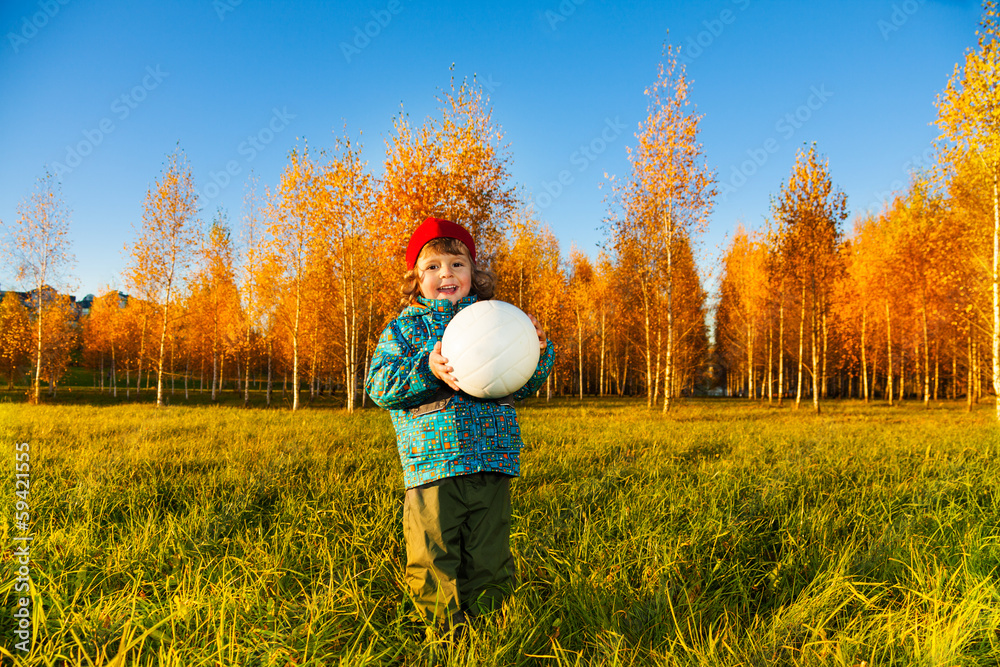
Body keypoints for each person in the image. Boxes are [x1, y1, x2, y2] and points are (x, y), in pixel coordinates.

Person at [365, 216, 555, 631]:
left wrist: (537, 350)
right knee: (433, 553)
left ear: (473, 272)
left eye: (456, 264)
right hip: (432, 463)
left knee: (489, 552)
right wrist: (426, 368)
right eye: (432, 267)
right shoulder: (405, 329)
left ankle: (490, 628)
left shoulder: (499, 320)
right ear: (416, 278)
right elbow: (378, 386)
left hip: (492, 459)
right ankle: (440, 633)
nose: (445, 274)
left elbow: (520, 385)